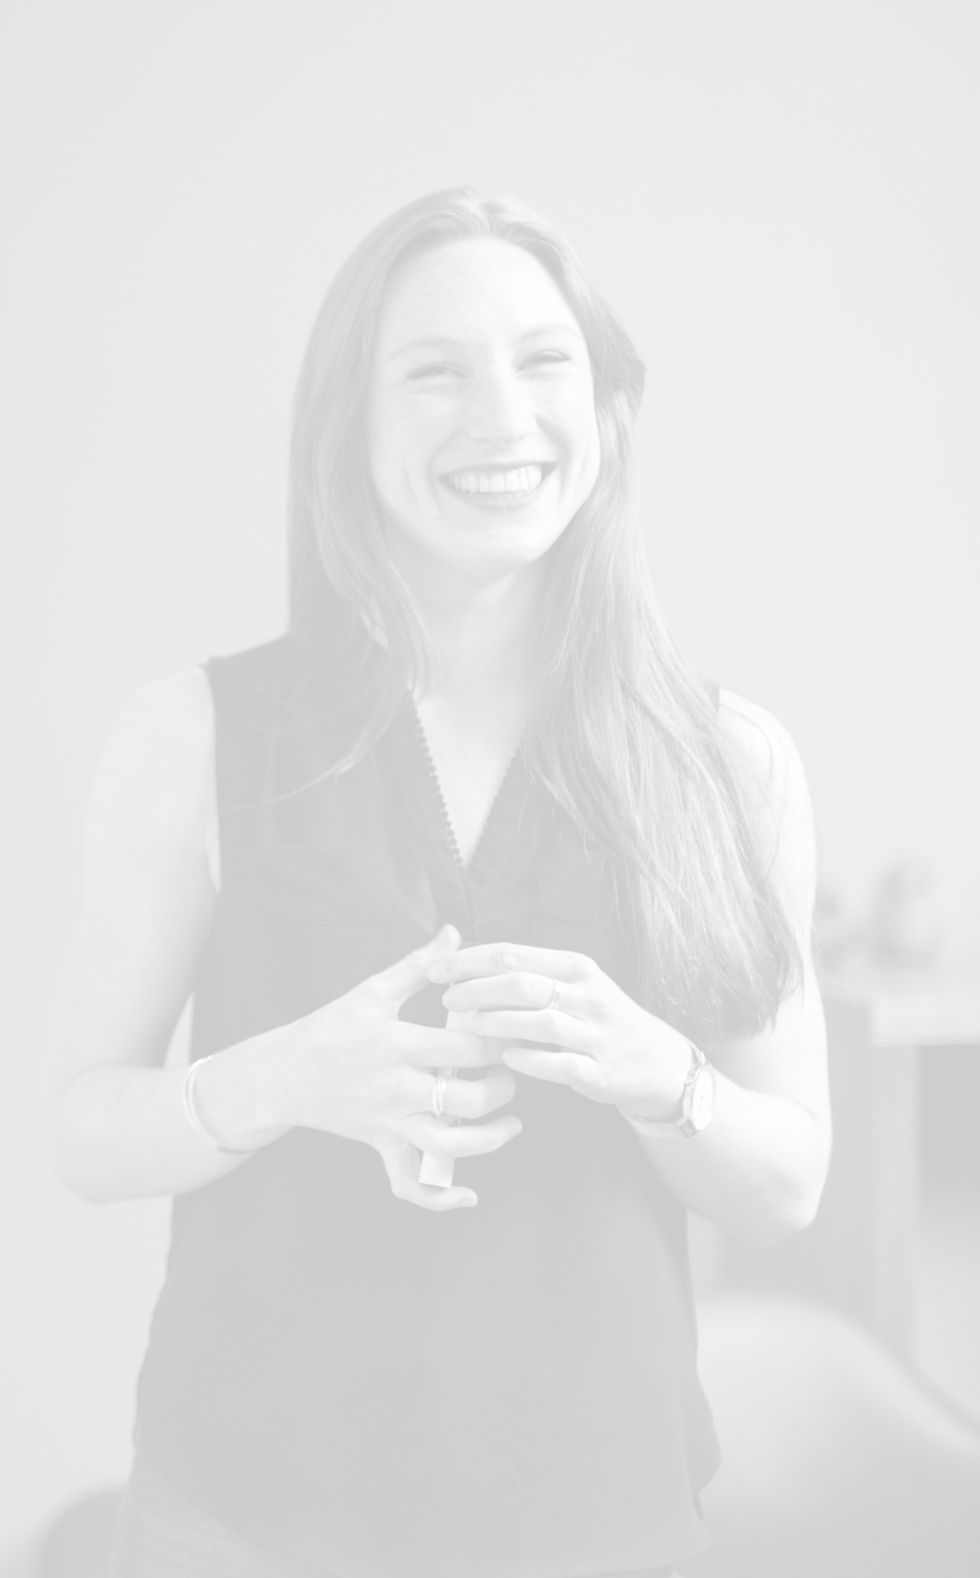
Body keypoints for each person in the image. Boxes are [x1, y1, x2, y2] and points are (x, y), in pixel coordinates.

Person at [49, 188, 831, 1578]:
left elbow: (788, 1181)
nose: (502, 415)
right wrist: (289, 1078)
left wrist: (658, 1071)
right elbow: (86, 1131)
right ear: (345, 425)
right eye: (435, 371)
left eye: (544, 361)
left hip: (610, 1527)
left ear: (605, 407)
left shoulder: (735, 761)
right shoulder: (195, 737)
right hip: (240, 1526)